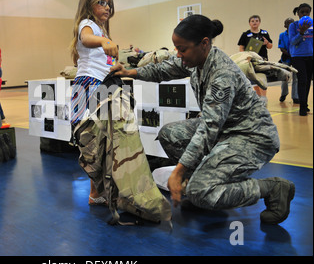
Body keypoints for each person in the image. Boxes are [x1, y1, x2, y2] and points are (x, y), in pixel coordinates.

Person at [111, 14, 295, 225]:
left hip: (252, 137)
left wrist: (178, 173)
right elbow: (165, 69)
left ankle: (271, 188)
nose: (178, 55)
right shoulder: (196, 58)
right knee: (169, 135)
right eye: (176, 48)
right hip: (226, 130)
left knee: (200, 190)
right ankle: (205, 186)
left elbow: (208, 128)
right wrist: (130, 72)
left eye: (182, 49)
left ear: (204, 43)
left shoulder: (222, 74)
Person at [69, 0, 118, 205]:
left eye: (109, 3)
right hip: (90, 84)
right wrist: (104, 41)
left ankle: (97, 192)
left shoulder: (101, 29)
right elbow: (87, 38)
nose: (107, 7)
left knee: (100, 141)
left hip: (98, 83)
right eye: (101, 3)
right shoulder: (88, 25)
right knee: (94, 141)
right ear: (89, 5)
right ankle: (96, 193)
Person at [237, 15, 273, 101]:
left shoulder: (264, 33)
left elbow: (270, 46)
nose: (254, 22)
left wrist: (267, 43)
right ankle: (259, 97)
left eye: (256, 21)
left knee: (262, 78)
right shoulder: (245, 35)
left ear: (259, 22)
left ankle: (264, 97)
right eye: (252, 21)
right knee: (254, 78)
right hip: (251, 60)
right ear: (249, 23)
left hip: (262, 60)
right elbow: (241, 48)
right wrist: (245, 57)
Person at [289, 3, 313, 116]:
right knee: (302, 80)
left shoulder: (312, 25)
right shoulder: (293, 26)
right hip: (298, 57)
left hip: (310, 56)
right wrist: (301, 32)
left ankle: (305, 104)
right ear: (298, 13)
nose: (304, 14)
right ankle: (302, 107)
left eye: (307, 12)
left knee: (308, 81)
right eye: (302, 12)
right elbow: (293, 42)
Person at [278, 18, 298, 103]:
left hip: (296, 57)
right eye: (288, 24)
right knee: (284, 77)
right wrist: (290, 54)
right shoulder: (282, 35)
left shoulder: (297, 34)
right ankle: (284, 93)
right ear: (285, 26)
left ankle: (295, 96)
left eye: (291, 24)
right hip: (286, 57)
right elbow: (281, 48)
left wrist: (294, 54)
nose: (290, 25)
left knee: (296, 78)